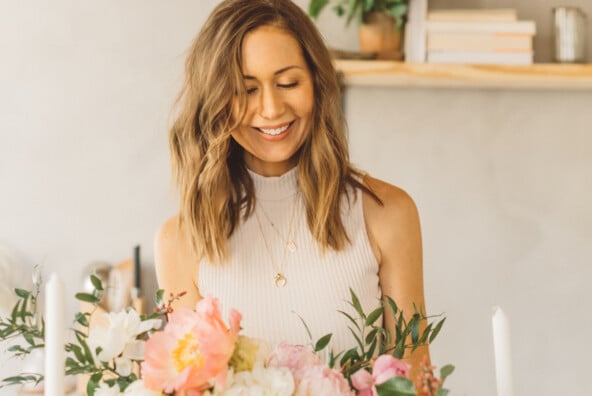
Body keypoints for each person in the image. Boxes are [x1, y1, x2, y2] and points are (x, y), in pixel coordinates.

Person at [155, 0, 429, 385]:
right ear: (214, 100)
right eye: (245, 90)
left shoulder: (387, 213)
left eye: (288, 83)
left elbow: (414, 381)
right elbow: (188, 387)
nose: (270, 108)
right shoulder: (181, 239)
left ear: (317, 82)